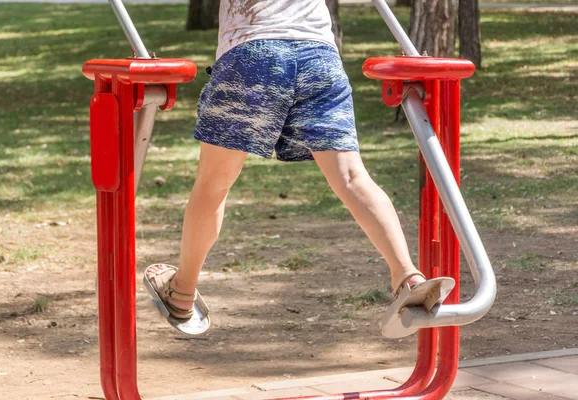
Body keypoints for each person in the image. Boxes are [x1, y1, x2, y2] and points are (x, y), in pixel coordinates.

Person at [144, 0, 449, 327]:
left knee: (213, 185)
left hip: (253, 52)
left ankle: (182, 292)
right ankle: (407, 276)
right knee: (351, 177)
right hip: (319, 56)